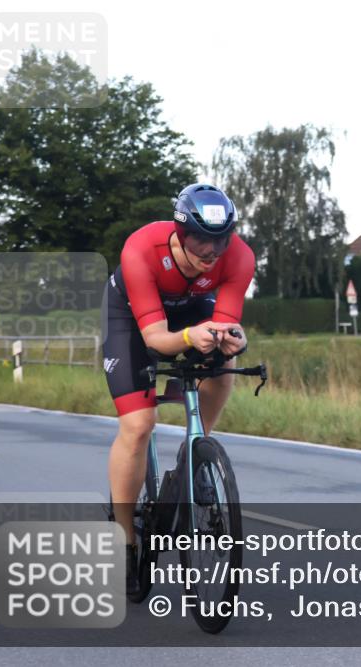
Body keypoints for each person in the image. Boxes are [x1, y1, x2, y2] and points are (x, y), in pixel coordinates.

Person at [100, 183, 255, 594]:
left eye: (220, 239)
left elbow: (227, 324)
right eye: (200, 239)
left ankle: (197, 452)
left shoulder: (240, 257)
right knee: (138, 426)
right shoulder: (141, 249)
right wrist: (188, 337)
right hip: (131, 318)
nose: (211, 251)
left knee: (224, 360)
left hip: (190, 308)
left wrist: (233, 338)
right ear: (180, 232)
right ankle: (125, 539)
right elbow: (155, 339)